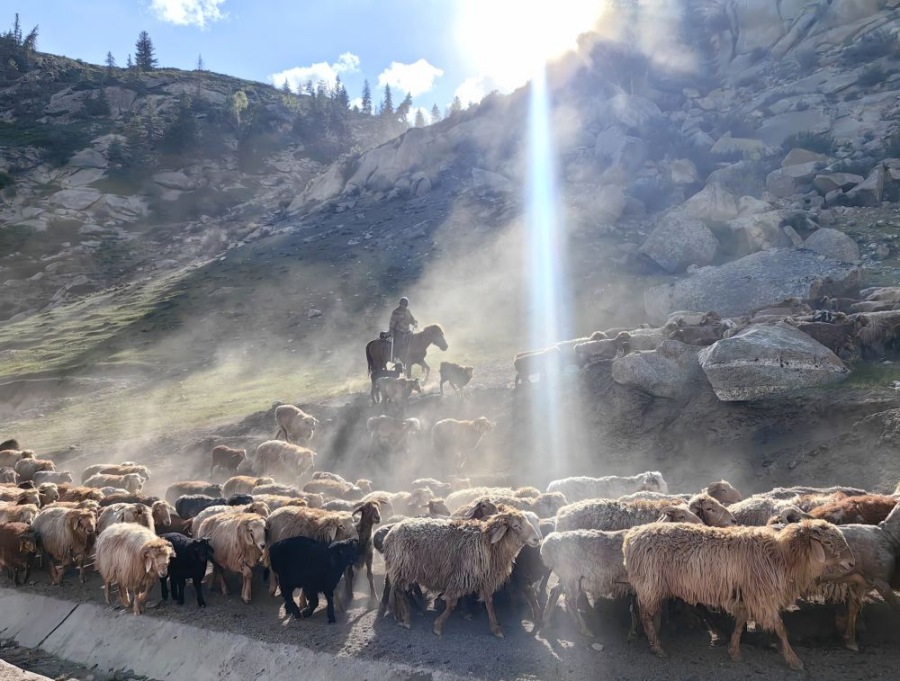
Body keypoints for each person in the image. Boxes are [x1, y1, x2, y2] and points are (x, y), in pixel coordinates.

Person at [389, 297, 418, 362]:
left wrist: (414, 322)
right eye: (402, 304)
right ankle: (396, 358)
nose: (403, 306)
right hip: (399, 331)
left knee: (414, 340)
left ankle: (412, 356)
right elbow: (392, 323)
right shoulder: (396, 312)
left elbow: (411, 319)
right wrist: (391, 332)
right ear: (400, 304)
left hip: (407, 331)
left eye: (405, 305)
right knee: (399, 343)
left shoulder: (407, 311)